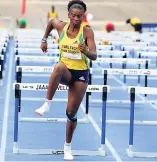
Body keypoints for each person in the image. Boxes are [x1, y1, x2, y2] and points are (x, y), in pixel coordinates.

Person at [35, 0, 97, 160]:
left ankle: (67, 147)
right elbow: (50, 22)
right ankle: (47, 104)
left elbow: (95, 56)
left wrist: (86, 51)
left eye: (80, 16)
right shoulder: (61, 26)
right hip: (66, 72)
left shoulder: (87, 32)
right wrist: (44, 39)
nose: (76, 19)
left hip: (80, 75)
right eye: (74, 16)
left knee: (71, 112)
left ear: (84, 16)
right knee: (58, 67)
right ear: (69, 15)